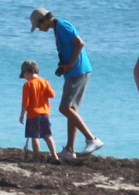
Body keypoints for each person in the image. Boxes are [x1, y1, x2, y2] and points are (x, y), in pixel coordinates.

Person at [29, 8, 104, 158]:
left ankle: (92, 139)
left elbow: (80, 44)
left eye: (38, 26)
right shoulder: (57, 28)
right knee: (71, 109)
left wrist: (69, 65)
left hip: (77, 71)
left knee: (64, 108)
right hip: (76, 71)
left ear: (43, 20)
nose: (39, 29)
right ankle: (69, 149)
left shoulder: (62, 25)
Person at [19, 60, 58, 162]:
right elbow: (52, 95)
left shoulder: (28, 84)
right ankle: (55, 156)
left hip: (33, 115)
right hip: (45, 113)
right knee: (47, 136)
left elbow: (25, 103)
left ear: (26, 73)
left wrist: (22, 115)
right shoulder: (44, 82)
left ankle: (36, 158)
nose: (25, 78)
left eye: (24, 75)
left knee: (34, 136)